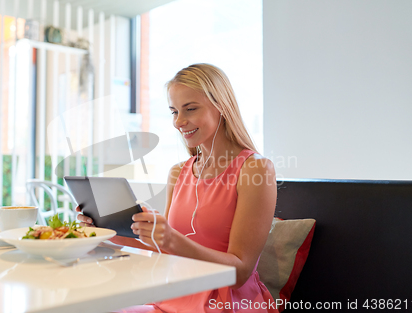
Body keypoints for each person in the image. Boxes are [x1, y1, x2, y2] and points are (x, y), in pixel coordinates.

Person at [76, 63, 278, 313]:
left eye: (190, 109)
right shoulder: (179, 172)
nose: (179, 122)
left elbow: (240, 272)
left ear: (222, 106)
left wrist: (171, 238)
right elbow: (164, 246)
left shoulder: (255, 170)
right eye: (174, 112)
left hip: (227, 304)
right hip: (175, 297)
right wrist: (106, 230)